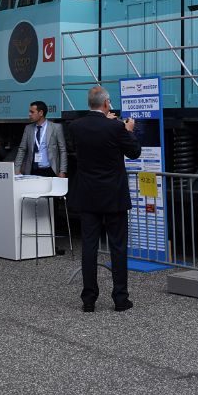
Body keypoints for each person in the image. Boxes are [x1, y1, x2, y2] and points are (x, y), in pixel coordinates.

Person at [69, 86, 141, 312]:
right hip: (113, 196)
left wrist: (112, 125)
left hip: (88, 195)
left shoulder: (75, 126)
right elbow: (134, 152)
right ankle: (120, 298)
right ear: (107, 103)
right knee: (118, 247)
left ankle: (88, 299)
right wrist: (127, 130)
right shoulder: (116, 127)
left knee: (89, 247)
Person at [14, 100, 67, 178]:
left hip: (50, 170)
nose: (29, 114)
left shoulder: (56, 128)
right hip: (32, 171)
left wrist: (63, 171)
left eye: (32, 112)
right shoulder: (28, 129)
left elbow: (62, 150)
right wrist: (17, 169)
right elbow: (22, 149)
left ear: (41, 113)